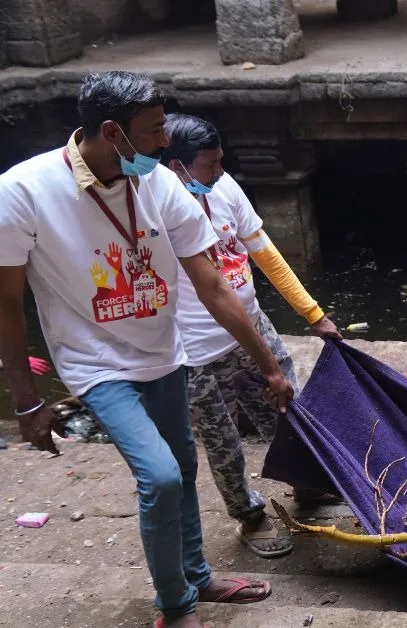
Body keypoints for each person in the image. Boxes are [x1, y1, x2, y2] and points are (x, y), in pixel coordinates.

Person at [0, 71, 292, 628]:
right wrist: (25, 400)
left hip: (163, 352)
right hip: (94, 363)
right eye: (155, 130)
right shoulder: (21, 191)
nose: (165, 141)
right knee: (159, 477)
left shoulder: (158, 184)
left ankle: (198, 576)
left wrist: (269, 365)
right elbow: (6, 303)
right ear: (113, 132)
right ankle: (175, 606)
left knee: (181, 467)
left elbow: (212, 284)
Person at [160, 113, 343, 559]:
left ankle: (306, 485)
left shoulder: (224, 189)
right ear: (174, 166)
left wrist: (312, 313)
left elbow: (265, 253)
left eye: (221, 161)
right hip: (198, 352)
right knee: (224, 444)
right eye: (209, 165)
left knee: (289, 413)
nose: (219, 172)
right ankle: (249, 516)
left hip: (255, 327)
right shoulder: (155, 212)